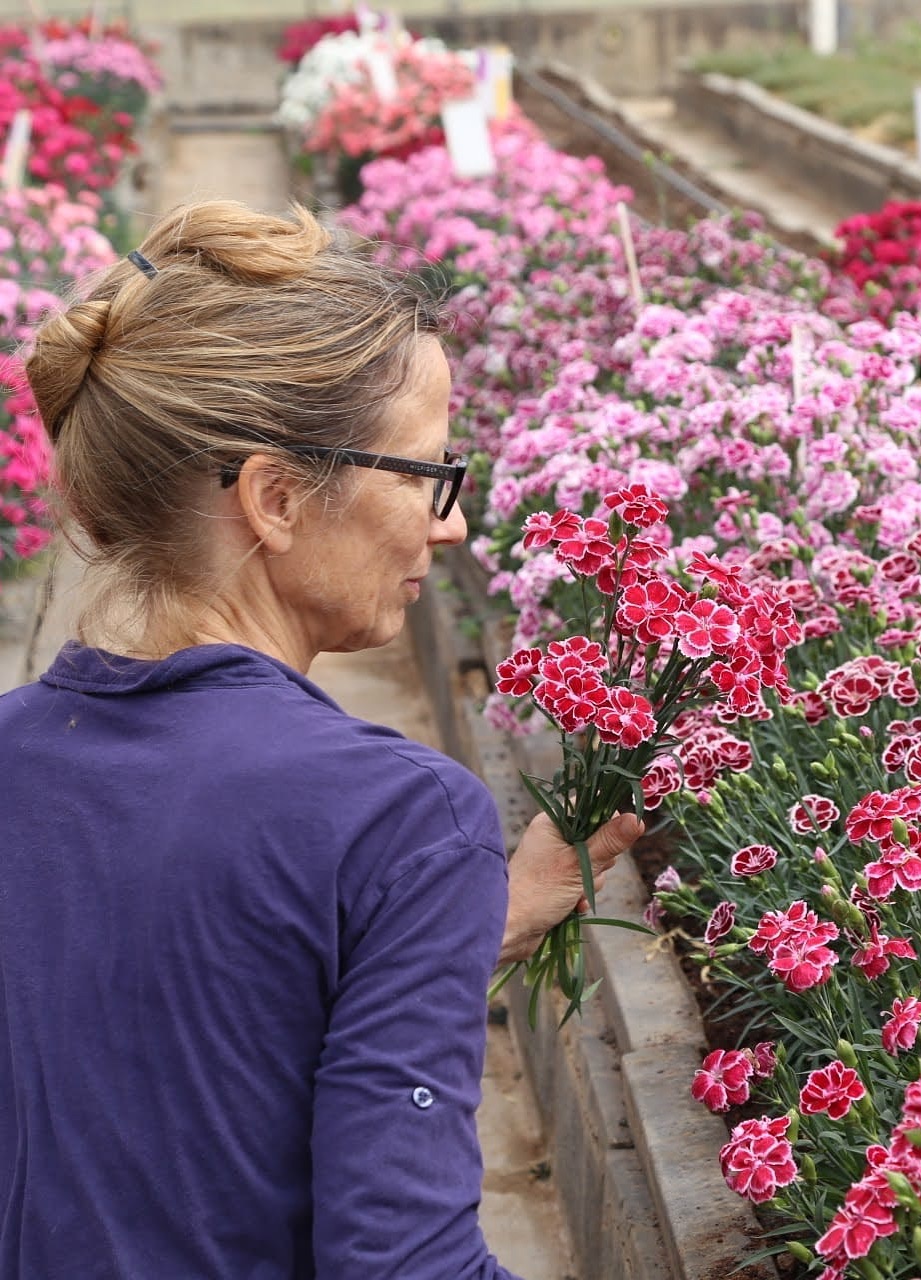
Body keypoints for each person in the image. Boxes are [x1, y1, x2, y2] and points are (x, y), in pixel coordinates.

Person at [0, 200, 641, 1279]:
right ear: (279, 496)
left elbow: (152, 1038)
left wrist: (443, 940)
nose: (451, 525)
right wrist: (425, 892)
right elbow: (402, 1260)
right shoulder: (398, 818)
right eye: (430, 475)